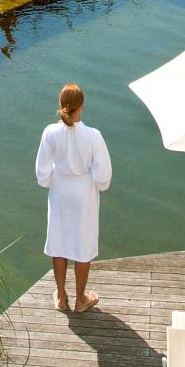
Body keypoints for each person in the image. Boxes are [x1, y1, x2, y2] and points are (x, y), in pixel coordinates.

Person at [35, 83, 112, 314]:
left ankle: (61, 296)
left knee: (58, 245)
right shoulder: (93, 136)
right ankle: (80, 299)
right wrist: (98, 184)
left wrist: (50, 181)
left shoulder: (50, 132)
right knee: (83, 246)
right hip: (83, 195)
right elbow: (103, 176)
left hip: (59, 193)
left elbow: (42, 171)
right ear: (81, 107)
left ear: (61, 105)